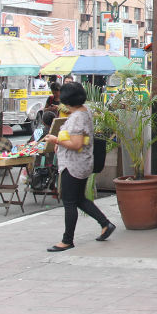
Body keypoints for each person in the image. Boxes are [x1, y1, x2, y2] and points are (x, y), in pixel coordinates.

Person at [43, 81, 114, 251]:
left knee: (69, 201)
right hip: (83, 162)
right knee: (79, 199)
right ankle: (105, 224)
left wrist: (55, 140)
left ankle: (67, 240)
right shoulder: (84, 111)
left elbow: (76, 144)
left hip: (73, 164)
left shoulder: (76, 118)